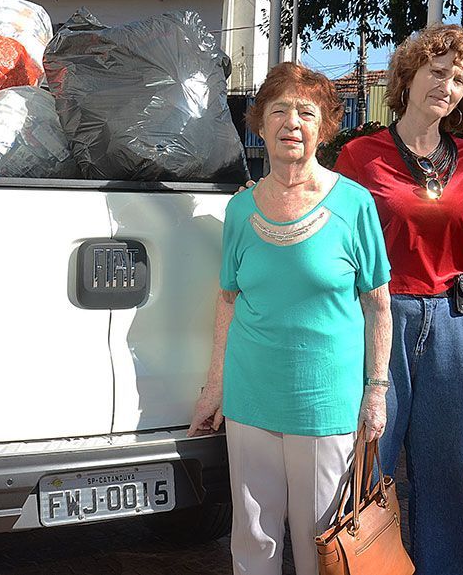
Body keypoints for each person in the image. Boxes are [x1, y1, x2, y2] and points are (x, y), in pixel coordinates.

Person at [189, 62, 392, 575]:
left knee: (319, 542)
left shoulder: (355, 204)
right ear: (260, 124)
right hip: (251, 396)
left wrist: (376, 392)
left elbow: (378, 306)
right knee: (253, 538)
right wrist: (214, 388)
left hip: (325, 401)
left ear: (324, 127)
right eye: (279, 110)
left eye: (306, 112)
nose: (291, 123)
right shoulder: (239, 210)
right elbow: (228, 301)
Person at [334, 24, 463, 575]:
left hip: (456, 328)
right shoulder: (360, 156)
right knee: (369, 469)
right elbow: (334, 246)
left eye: (459, 78)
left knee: (448, 475)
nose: (448, 85)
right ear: (407, 76)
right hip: (381, 322)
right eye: (438, 72)